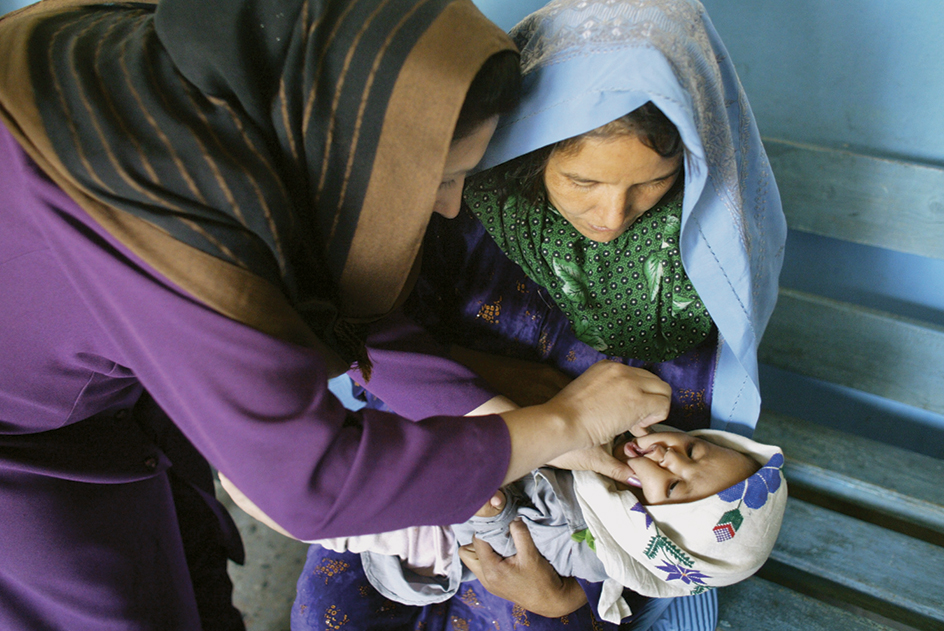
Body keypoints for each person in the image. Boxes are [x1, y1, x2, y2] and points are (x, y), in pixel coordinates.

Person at [0, 0, 677, 629]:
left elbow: (331, 297)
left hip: (90, 379)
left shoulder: (228, 88)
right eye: (441, 179)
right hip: (24, 459)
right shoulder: (169, 231)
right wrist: (563, 421)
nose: (449, 207)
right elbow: (311, 485)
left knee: (187, 567)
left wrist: (514, 420)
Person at [291, 0, 787, 629]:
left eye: (652, 182)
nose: (612, 218)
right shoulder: (457, 199)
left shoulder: (703, 255)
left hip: (572, 528)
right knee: (333, 608)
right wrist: (514, 399)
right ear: (532, 146)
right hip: (431, 430)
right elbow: (365, 332)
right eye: (582, 182)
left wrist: (567, 601)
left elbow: (675, 514)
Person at [315, 426, 787, 626]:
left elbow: (522, 547)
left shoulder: (595, 547)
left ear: (655, 531)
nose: (670, 457)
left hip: (455, 526)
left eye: (674, 487)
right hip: (469, 453)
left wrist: (494, 514)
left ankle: (327, 510)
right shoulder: (618, 441)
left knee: (375, 516)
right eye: (694, 450)